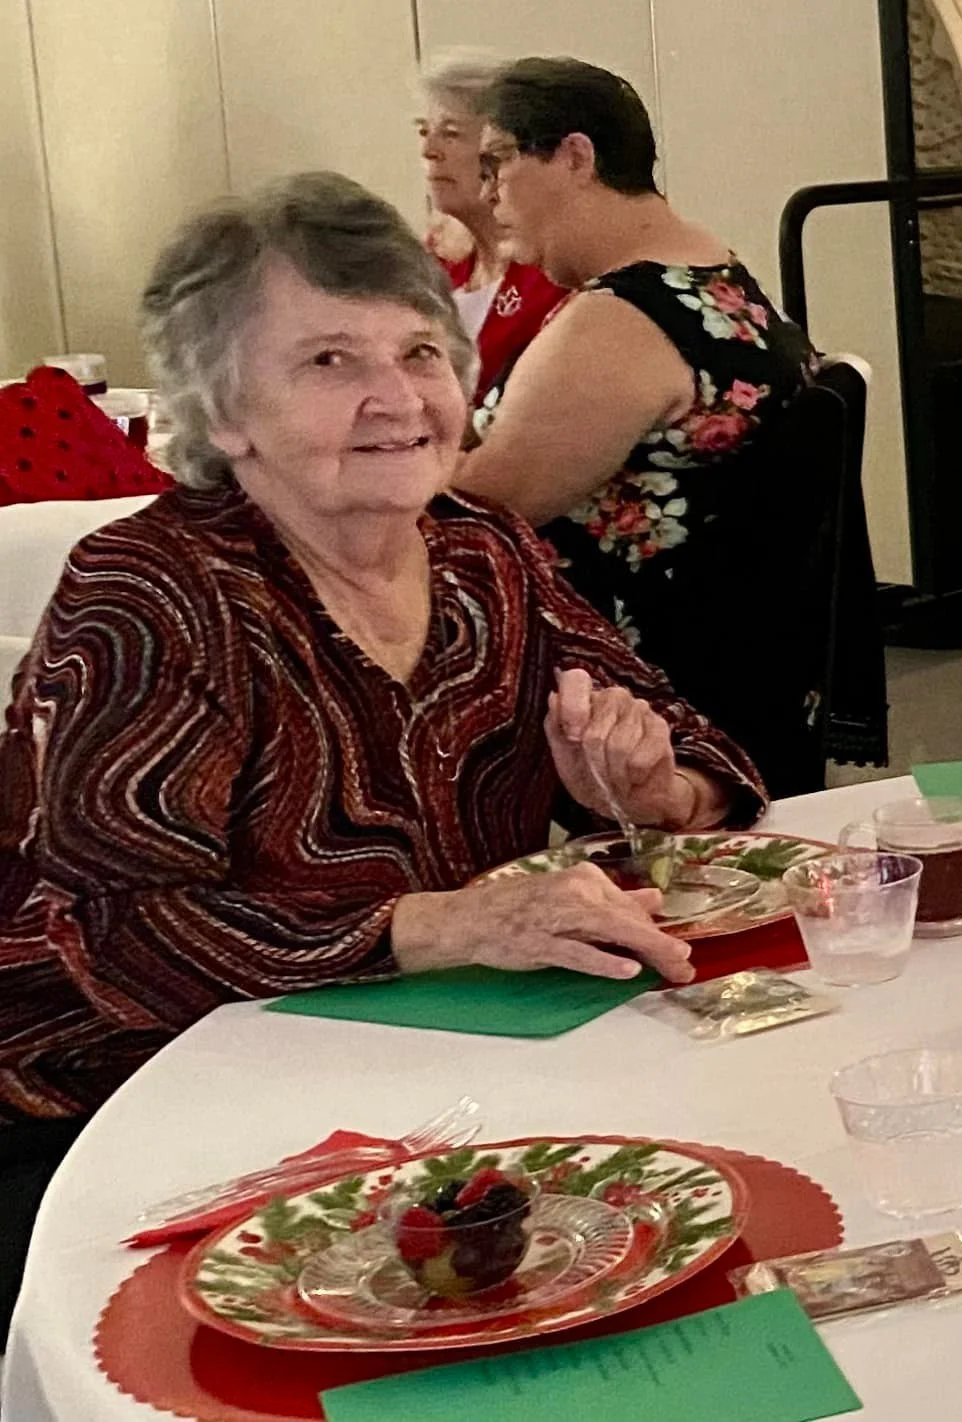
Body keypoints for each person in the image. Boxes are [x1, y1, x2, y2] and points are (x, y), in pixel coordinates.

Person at [0, 173, 766, 1329]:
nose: (397, 397)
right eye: (327, 361)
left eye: (418, 352)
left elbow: (700, 745)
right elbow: (124, 930)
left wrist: (662, 783)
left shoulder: (480, 551)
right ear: (223, 413)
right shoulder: (157, 591)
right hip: (117, 1113)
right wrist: (441, 924)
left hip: (419, 1084)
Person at [454, 57, 824, 795]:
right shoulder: (710, 271)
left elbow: (475, 514)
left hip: (638, 696)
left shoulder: (623, 321)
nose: (486, 193)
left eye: (497, 163)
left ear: (576, 156)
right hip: (740, 659)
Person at [415, 51, 565, 399]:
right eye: (424, 131)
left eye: (450, 134)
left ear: (503, 151)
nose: (428, 149)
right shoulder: (430, 264)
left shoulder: (555, 270)